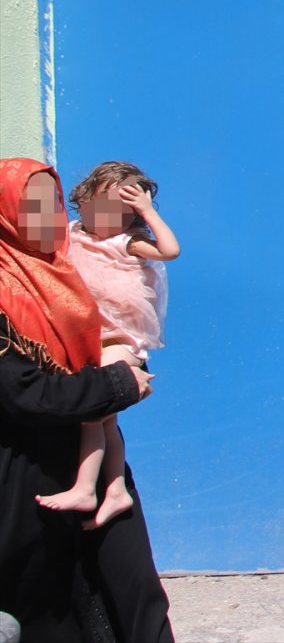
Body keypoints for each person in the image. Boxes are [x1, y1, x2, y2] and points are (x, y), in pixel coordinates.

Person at [0, 157, 173, 642]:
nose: (46, 219)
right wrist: (115, 386)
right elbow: (20, 392)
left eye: (51, 205)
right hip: (27, 481)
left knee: (136, 600)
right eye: (30, 207)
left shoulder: (69, 266)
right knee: (49, 616)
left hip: (90, 460)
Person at [36, 161, 180, 530]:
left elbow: (170, 251)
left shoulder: (128, 242)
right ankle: (115, 490)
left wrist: (149, 212)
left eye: (121, 210)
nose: (106, 218)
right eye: (99, 206)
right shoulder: (73, 234)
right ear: (83, 202)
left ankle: (85, 489)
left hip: (122, 338)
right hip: (89, 337)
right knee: (107, 419)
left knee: (94, 407)